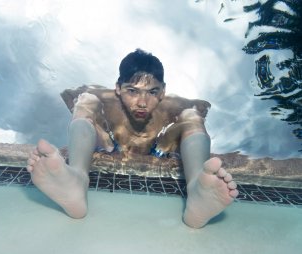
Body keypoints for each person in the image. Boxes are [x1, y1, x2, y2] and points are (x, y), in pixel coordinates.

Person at [26, 49, 239, 228]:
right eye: (132, 91)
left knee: (191, 115)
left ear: (163, 91)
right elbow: (67, 94)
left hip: (159, 148)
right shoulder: (105, 98)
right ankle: (77, 179)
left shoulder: (173, 105)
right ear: (118, 88)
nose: (142, 102)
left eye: (152, 91)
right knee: (86, 101)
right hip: (110, 145)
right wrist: (91, 116)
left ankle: (196, 191)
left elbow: (203, 107)